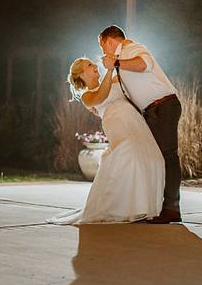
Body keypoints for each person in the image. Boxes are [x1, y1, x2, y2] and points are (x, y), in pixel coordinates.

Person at [47, 57, 164, 225]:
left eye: (93, 63)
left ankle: (142, 207)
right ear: (81, 74)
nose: (95, 65)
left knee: (151, 156)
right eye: (89, 65)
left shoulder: (115, 79)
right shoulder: (87, 96)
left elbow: (130, 78)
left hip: (135, 122)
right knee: (127, 154)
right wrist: (109, 69)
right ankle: (117, 207)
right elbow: (102, 95)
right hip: (117, 125)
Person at [98, 25, 182, 224]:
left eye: (103, 47)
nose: (104, 53)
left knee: (168, 156)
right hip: (152, 112)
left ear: (110, 41)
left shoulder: (131, 49)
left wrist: (115, 61)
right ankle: (153, 206)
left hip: (163, 107)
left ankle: (171, 208)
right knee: (153, 157)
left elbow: (144, 64)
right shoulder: (122, 63)